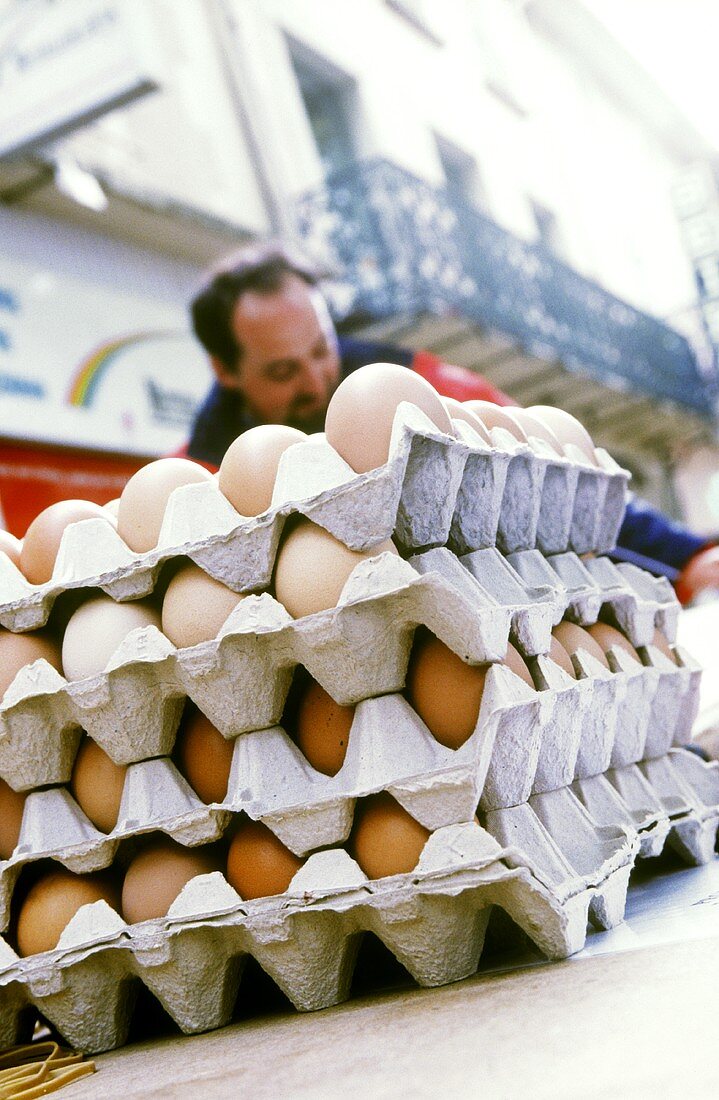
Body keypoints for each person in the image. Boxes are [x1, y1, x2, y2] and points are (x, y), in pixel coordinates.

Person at [186, 243, 719, 604]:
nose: (315, 379)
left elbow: (557, 472)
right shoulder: (198, 483)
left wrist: (683, 556)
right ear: (224, 369)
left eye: (322, 348)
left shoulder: (422, 386)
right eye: (282, 371)